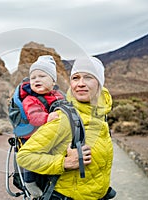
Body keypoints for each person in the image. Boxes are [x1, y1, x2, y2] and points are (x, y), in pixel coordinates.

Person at [17, 56, 114, 200]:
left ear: (100, 83)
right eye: (75, 78)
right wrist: (65, 162)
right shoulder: (65, 119)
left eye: (88, 77)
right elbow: (24, 157)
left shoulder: (100, 117)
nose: (80, 83)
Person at [19, 55, 65, 198]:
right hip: (33, 135)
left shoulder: (58, 96)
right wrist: (47, 117)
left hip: (50, 136)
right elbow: (33, 116)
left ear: (53, 81)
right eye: (33, 78)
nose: (37, 80)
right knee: (31, 157)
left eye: (42, 76)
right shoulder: (30, 99)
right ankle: (29, 182)